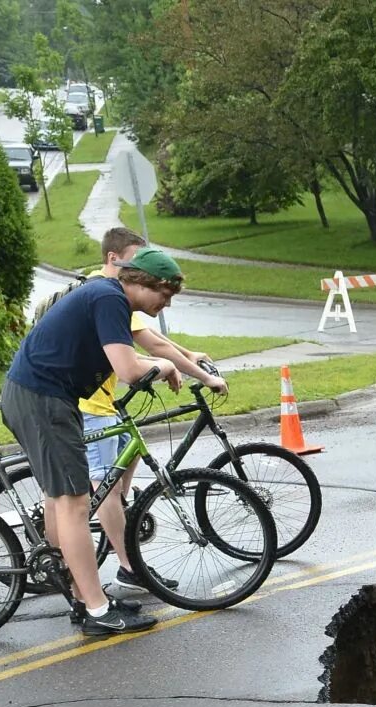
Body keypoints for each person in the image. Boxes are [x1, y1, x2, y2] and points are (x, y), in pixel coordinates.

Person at [0, 246, 186, 636]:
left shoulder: (106, 295)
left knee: (60, 498)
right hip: (42, 400)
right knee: (74, 504)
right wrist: (165, 366)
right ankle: (97, 611)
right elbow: (129, 369)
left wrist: (162, 362)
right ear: (143, 282)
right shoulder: (109, 298)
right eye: (164, 295)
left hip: (38, 396)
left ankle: (83, 597)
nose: (165, 304)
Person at [75, 227, 225, 615]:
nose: (140, 268)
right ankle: (129, 568)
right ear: (114, 260)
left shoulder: (112, 293)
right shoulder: (109, 295)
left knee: (129, 456)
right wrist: (202, 375)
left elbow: (155, 340)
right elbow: (153, 347)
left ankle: (118, 529)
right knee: (104, 487)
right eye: (134, 261)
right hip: (87, 404)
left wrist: (187, 354)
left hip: (101, 399)